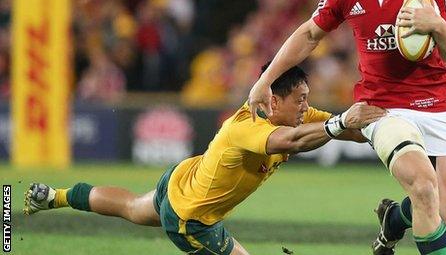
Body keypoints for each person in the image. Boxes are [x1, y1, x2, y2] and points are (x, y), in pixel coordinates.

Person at [248, 0, 446, 255]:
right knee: (425, 188)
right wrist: (266, 81)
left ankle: (393, 221)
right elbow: (308, 34)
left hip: (436, 104)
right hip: (382, 110)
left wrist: (437, 25)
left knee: (443, 209)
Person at [24, 63, 386, 255]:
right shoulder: (248, 126)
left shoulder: (296, 115)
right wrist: (341, 123)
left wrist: (386, 134)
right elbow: (290, 141)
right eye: (300, 99)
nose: (307, 106)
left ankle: (50, 197)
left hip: (181, 180)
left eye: (307, 97)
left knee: (133, 208)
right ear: (274, 101)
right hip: (193, 218)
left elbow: (345, 129)